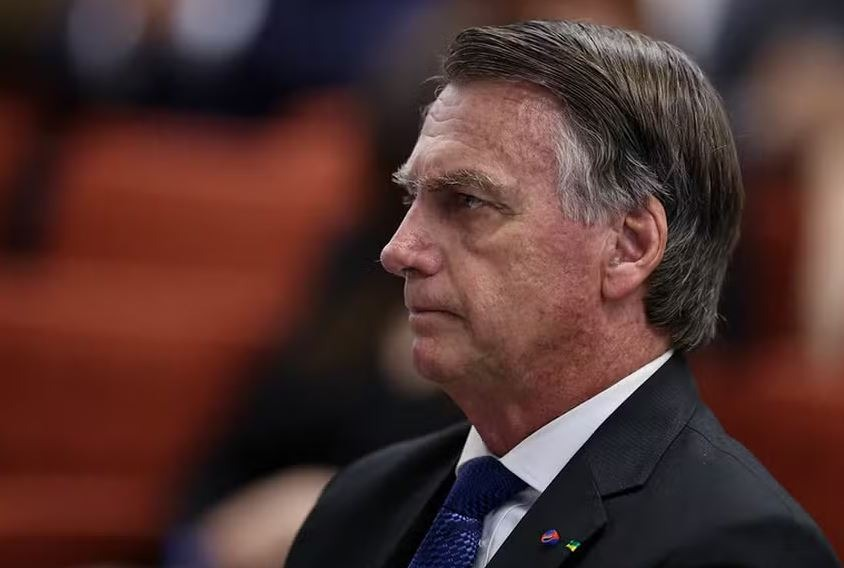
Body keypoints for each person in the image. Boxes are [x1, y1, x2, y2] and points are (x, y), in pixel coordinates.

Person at [284, 20, 840, 568]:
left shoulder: (737, 548)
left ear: (628, 247)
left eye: (468, 201)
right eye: (412, 200)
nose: (399, 250)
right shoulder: (360, 504)